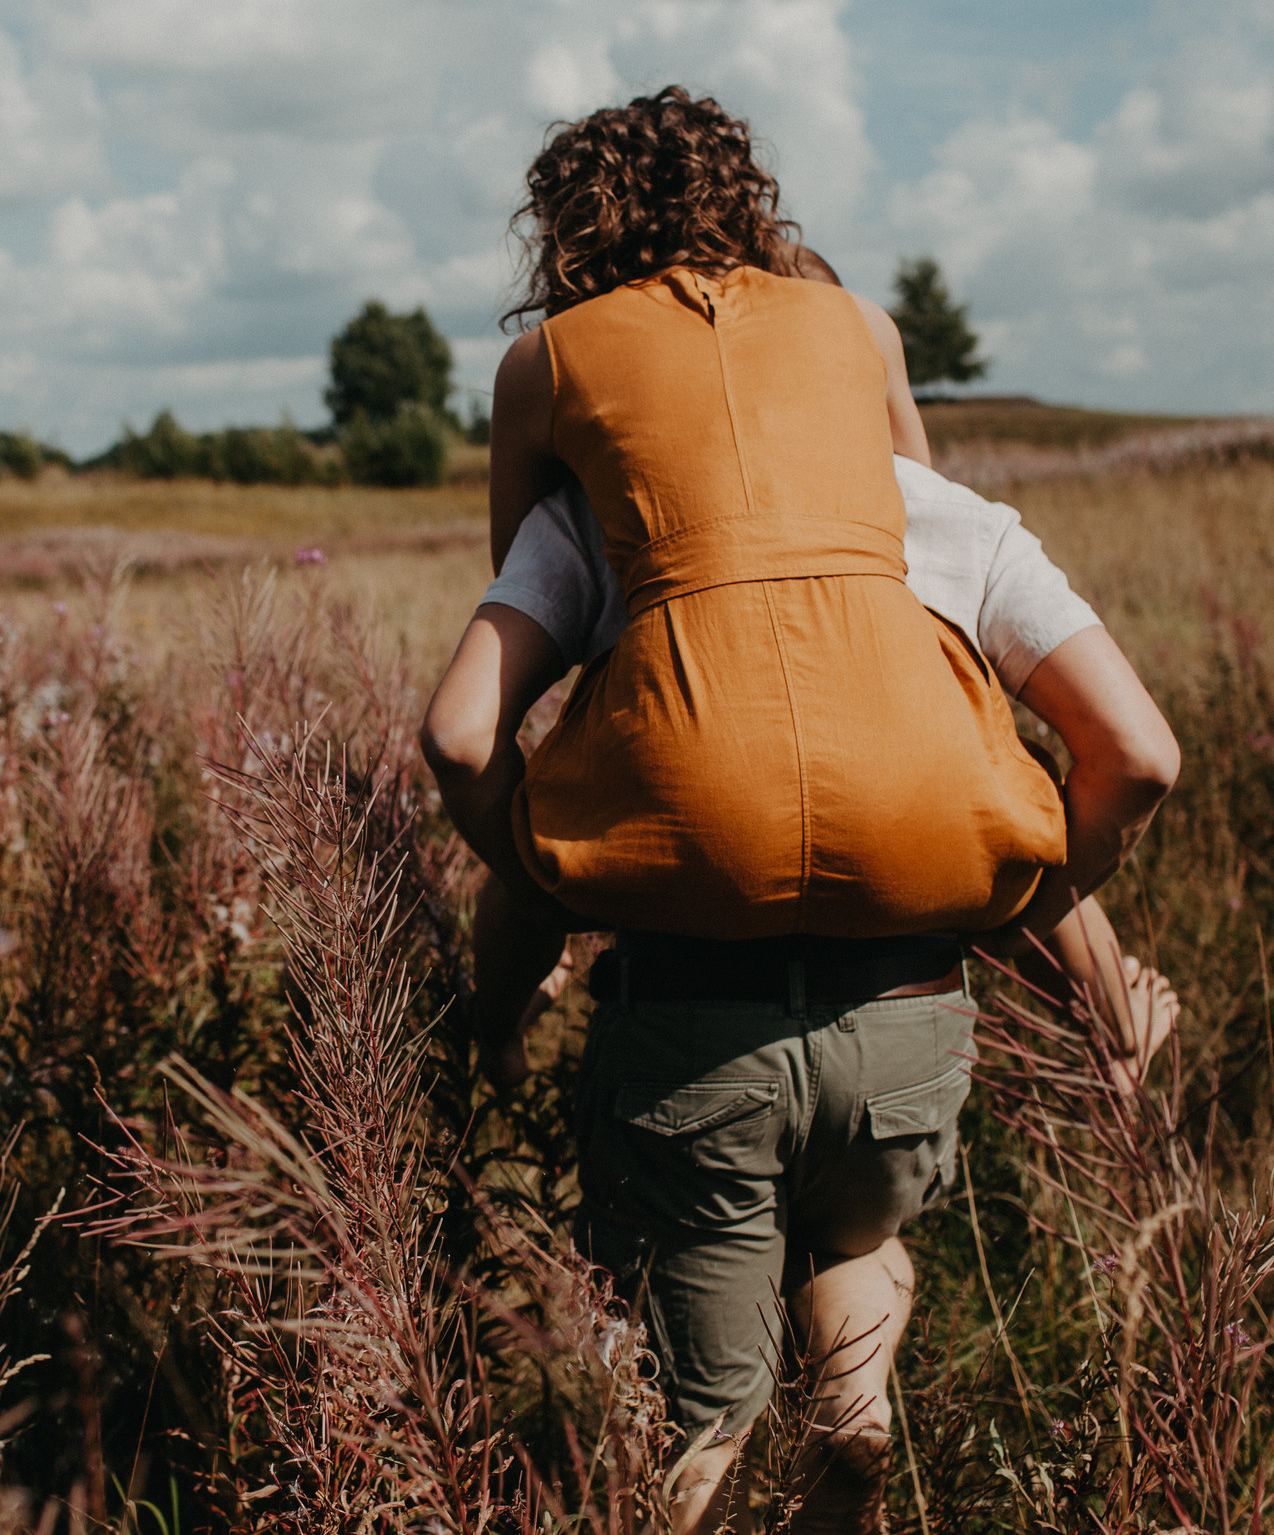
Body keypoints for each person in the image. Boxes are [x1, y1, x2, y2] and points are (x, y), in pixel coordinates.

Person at [419, 89, 1181, 1532]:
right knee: (856, 1238)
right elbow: (1131, 754)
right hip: (906, 1003)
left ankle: (729, 1463)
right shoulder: (897, 425)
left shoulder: (554, 401)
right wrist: (1020, 894)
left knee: (700, 1419)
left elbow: (467, 727)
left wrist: (549, 878)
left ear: (565, 233)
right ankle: (858, 1411)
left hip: (686, 1015)